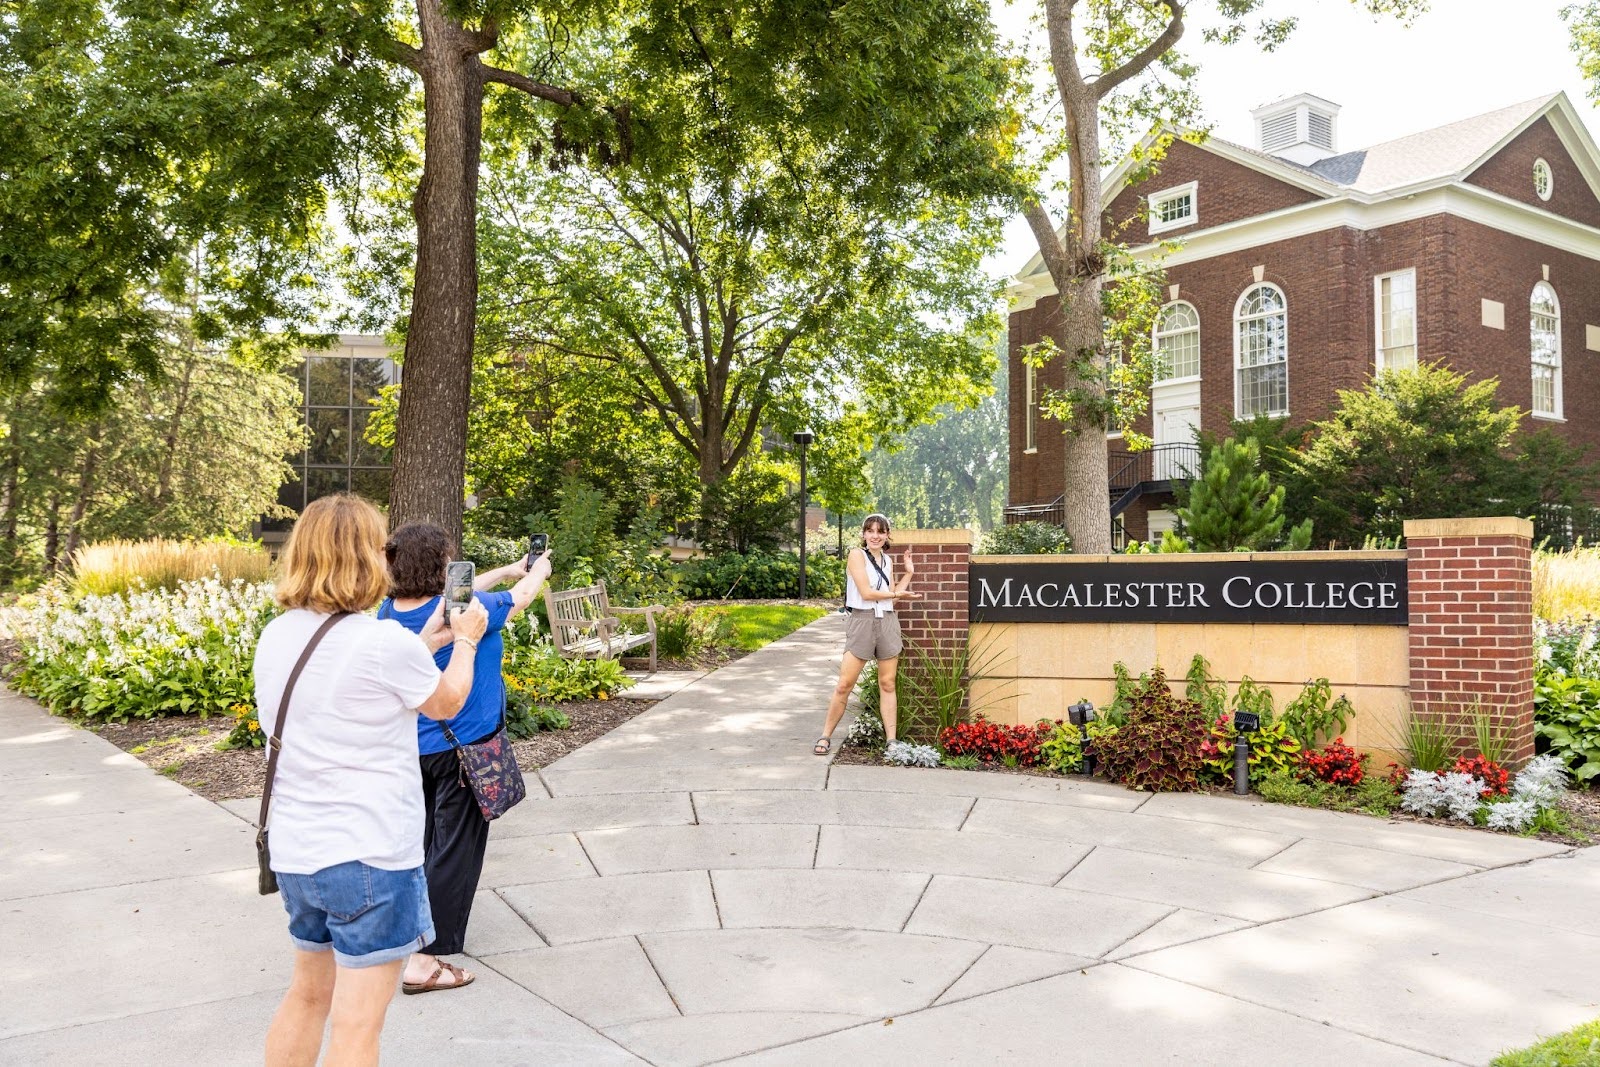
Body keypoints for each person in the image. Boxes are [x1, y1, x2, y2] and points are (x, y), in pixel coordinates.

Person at [257, 494, 488, 1066]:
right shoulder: (380, 644)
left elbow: (349, 677)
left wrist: (424, 641)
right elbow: (448, 701)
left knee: (307, 997)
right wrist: (464, 641)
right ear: (367, 557)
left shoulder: (278, 636)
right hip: (369, 857)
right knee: (358, 1028)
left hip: (296, 853)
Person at [379, 524, 552, 995]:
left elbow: (467, 590)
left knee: (420, 845)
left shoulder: (386, 614)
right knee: (453, 851)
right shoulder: (467, 613)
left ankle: (401, 936)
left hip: (412, 750)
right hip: (462, 751)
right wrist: (538, 572)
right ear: (441, 567)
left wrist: (509, 567)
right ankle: (424, 958)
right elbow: (520, 599)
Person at [813, 513, 921, 755]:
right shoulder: (856, 555)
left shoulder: (888, 561)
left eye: (880, 531)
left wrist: (909, 574)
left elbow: (892, 596)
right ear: (863, 534)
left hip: (887, 622)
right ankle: (825, 735)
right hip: (862, 620)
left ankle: (891, 741)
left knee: (887, 682)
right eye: (871, 531)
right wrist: (896, 595)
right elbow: (866, 593)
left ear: (887, 535)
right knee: (844, 684)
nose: (875, 536)